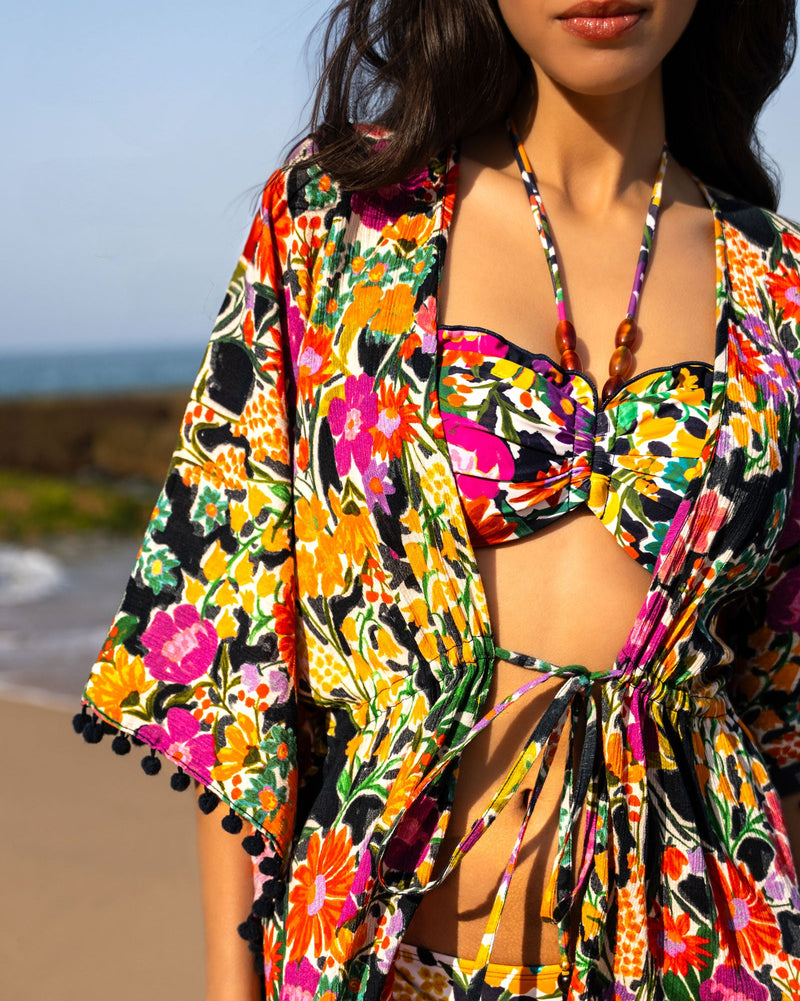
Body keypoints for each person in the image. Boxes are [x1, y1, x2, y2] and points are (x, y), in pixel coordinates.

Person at [76, 1, 800, 999]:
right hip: (375, 956)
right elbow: (230, 618)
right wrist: (226, 974)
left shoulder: (777, 287)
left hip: (710, 955)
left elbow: (781, 704)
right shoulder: (342, 216)